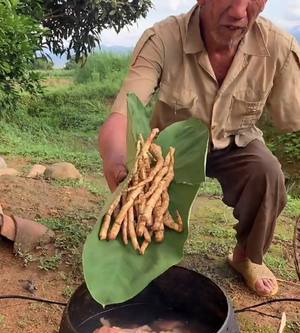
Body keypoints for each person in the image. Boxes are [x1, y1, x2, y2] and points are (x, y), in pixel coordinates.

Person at [99, 0, 300, 297]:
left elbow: (294, 119)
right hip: (171, 151)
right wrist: (117, 160)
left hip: (236, 142)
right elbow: (124, 111)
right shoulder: (164, 39)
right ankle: (149, 255)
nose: (239, 12)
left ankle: (245, 257)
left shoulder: (278, 46)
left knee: (267, 173)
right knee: (147, 211)